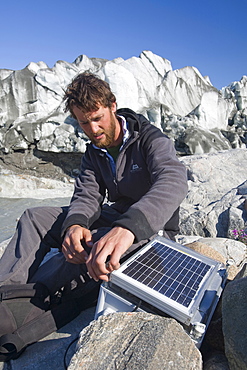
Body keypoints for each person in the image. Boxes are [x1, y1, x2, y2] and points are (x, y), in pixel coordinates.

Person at [0, 72, 188, 294]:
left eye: (98, 118)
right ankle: (6, 291)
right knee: (34, 218)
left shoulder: (150, 139)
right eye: (84, 122)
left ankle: (28, 302)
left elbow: (174, 180)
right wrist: (75, 224)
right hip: (116, 214)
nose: (93, 129)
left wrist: (128, 227)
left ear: (113, 106)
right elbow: (87, 195)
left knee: (93, 247)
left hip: (151, 227)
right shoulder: (94, 152)